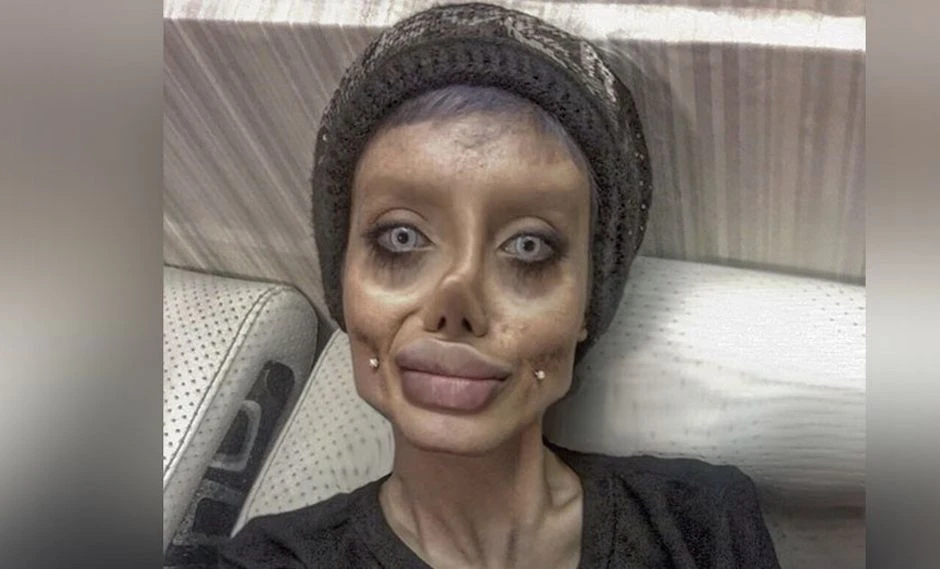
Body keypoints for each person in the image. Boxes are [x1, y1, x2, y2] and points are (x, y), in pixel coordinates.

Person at [221, 3, 780, 568]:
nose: (455, 301)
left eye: (528, 247)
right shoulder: (269, 561)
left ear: (589, 302)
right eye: (401, 239)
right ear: (342, 280)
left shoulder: (699, 522)